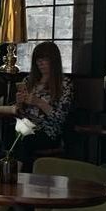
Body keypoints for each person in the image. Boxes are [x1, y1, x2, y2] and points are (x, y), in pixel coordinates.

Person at [14, 41, 73, 171]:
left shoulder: (64, 84)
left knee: (25, 139)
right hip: (25, 126)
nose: (40, 63)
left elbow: (60, 118)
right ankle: (10, 171)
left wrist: (39, 102)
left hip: (48, 131)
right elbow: (21, 114)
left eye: (44, 59)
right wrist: (19, 103)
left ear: (53, 61)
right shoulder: (28, 81)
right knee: (10, 133)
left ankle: (16, 174)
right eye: (37, 60)